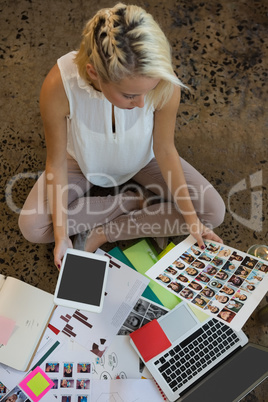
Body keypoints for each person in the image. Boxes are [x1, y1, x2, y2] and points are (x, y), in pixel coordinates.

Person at [18, 3, 225, 269]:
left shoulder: (162, 80)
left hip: (143, 159)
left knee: (212, 212)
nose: (141, 105)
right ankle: (132, 201)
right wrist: (61, 237)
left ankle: (102, 232)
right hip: (80, 162)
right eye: (130, 95)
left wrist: (193, 222)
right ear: (94, 72)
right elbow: (55, 163)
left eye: (147, 92)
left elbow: (164, 149)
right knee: (32, 227)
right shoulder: (59, 84)